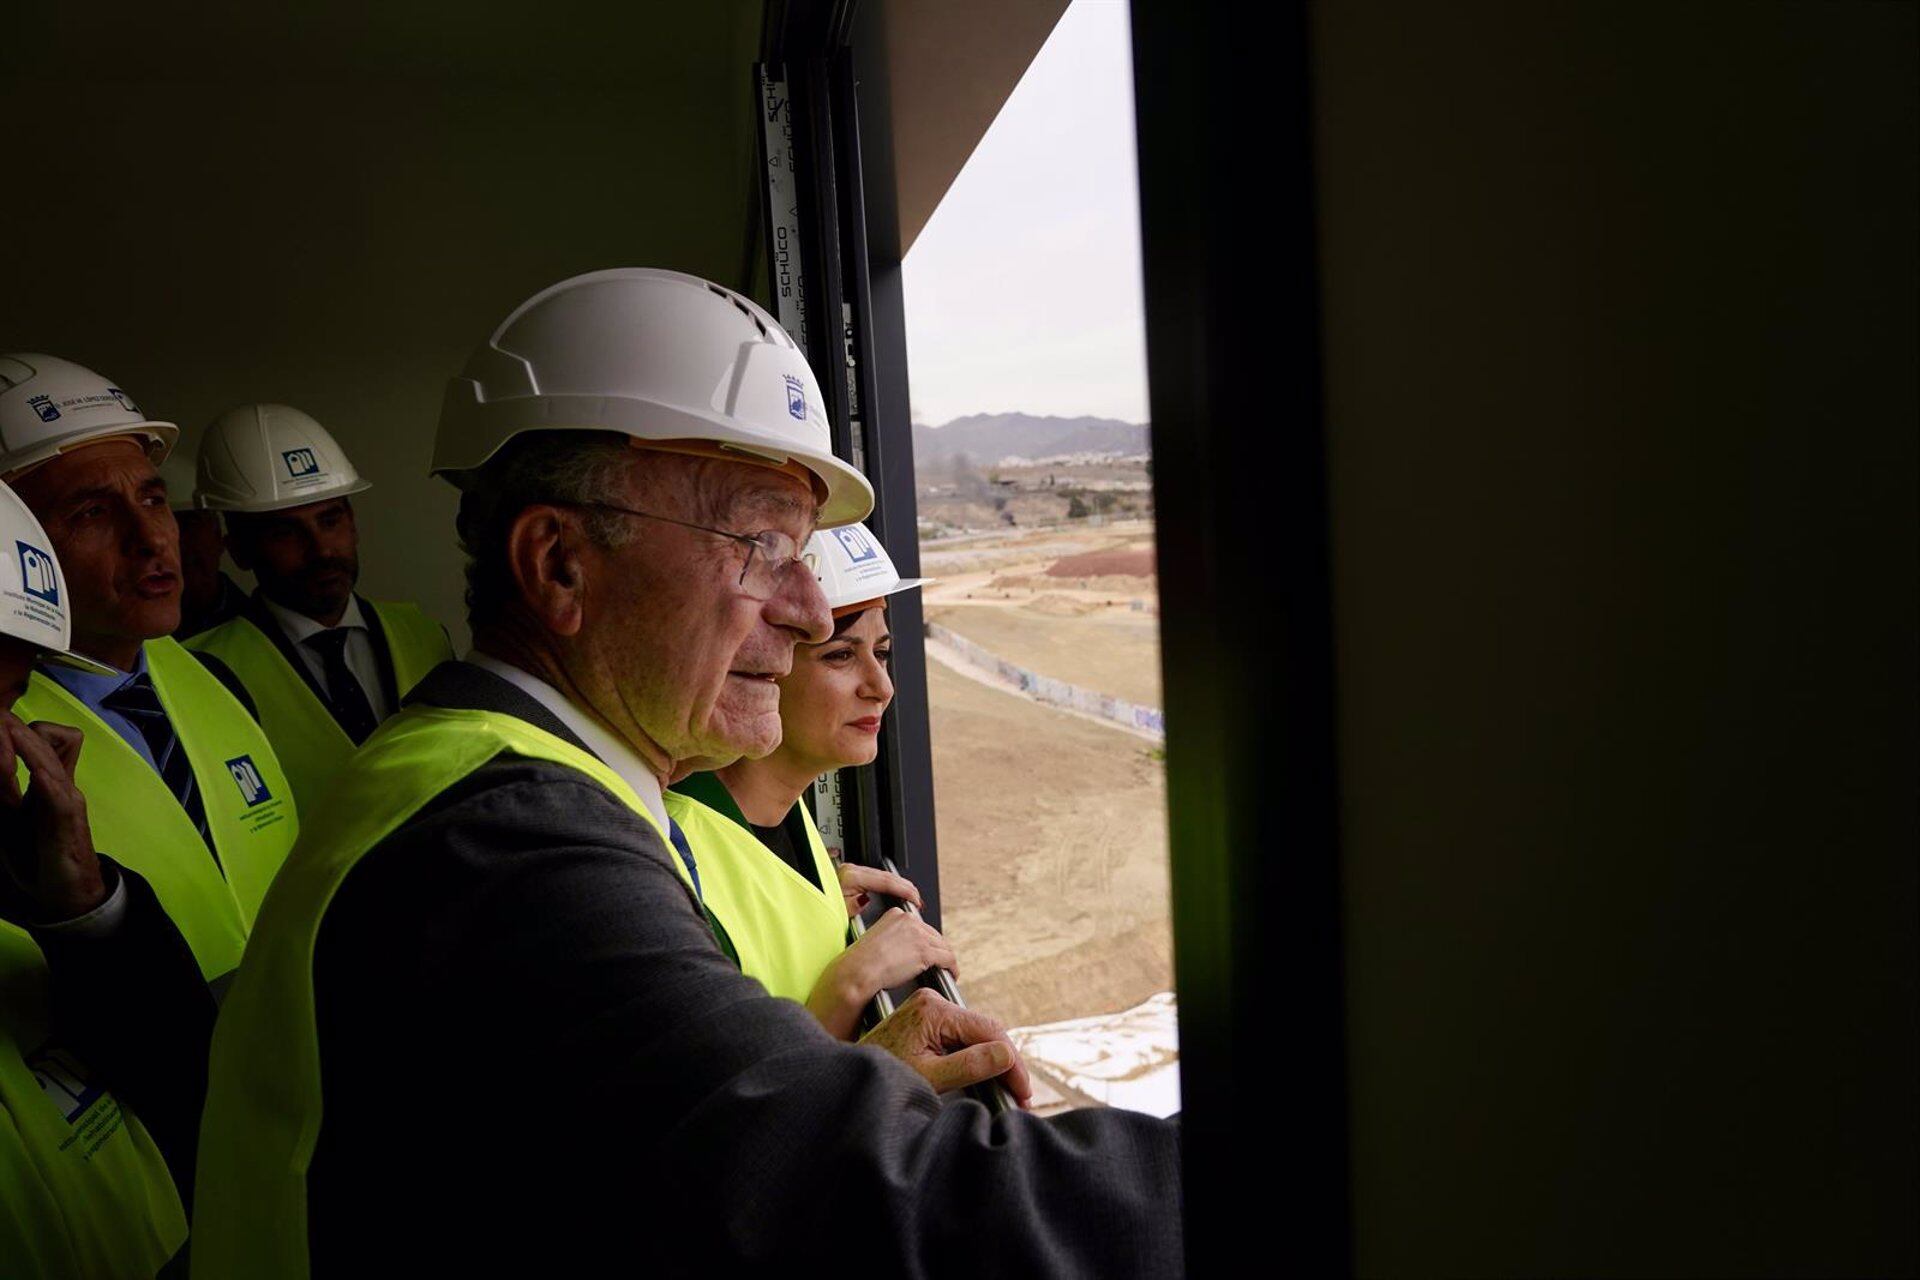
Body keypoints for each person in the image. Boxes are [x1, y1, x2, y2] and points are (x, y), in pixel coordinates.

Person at [192, 268, 1182, 1278]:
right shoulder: (504, 846)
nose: (805, 611)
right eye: (760, 544)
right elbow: (886, 1208)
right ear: (559, 564)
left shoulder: (509, 778)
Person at [0, 354, 299, 991]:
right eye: (93, 513)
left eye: (153, 499)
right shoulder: (7, 737)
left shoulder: (213, 678)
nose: (153, 538)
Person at [0, 478, 213, 1279]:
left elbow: (192, 1096)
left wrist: (83, 913)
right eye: (91, 512)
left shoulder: (36, 898)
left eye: (11, 705)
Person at [670, 523, 955, 1039]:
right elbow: (724, 1107)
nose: (881, 687)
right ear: (758, 668)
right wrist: (850, 986)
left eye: (882, 652)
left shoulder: (785, 814)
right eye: (840, 656)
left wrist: (814, 897)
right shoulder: (675, 860)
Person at [183, 403, 452, 804]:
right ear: (238, 550)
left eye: (330, 520)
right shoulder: (202, 670)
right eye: (285, 532)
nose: (322, 550)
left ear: (353, 522)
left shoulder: (425, 634)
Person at [160, 446, 244, 639]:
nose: (176, 539)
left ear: (218, 533)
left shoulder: (268, 627)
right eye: (164, 525)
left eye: (189, 522)